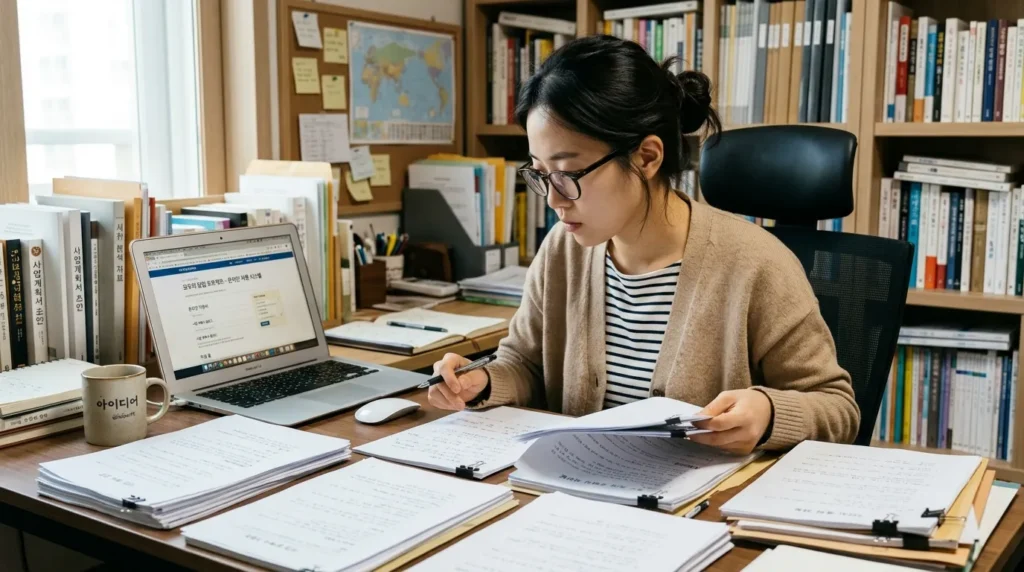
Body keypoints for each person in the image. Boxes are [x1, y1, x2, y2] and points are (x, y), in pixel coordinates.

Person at [429, 35, 860, 454]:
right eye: (541, 174)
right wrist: (483, 381)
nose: (554, 199)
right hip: (577, 488)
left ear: (646, 157)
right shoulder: (562, 250)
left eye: (568, 174)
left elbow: (837, 408)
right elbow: (525, 364)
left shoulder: (758, 264)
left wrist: (768, 412)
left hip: (704, 499)